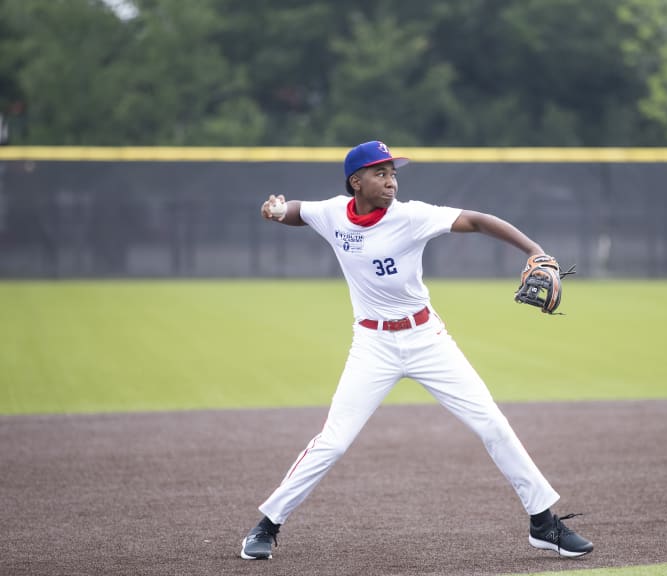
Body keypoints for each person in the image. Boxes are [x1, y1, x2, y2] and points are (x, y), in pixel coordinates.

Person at [239, 140, 593, 561]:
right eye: (380, 173)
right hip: (372, 345)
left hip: (427, 340)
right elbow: (300, 212)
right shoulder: (334, 212)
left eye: (393, 173)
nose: (391, 181)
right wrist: (277, 210)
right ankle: (267, 524)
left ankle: (543, 523)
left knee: (492, 424)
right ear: (356, 182)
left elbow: (478, 220)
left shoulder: (410, 217)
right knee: (333, 442)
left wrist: (535, 251)